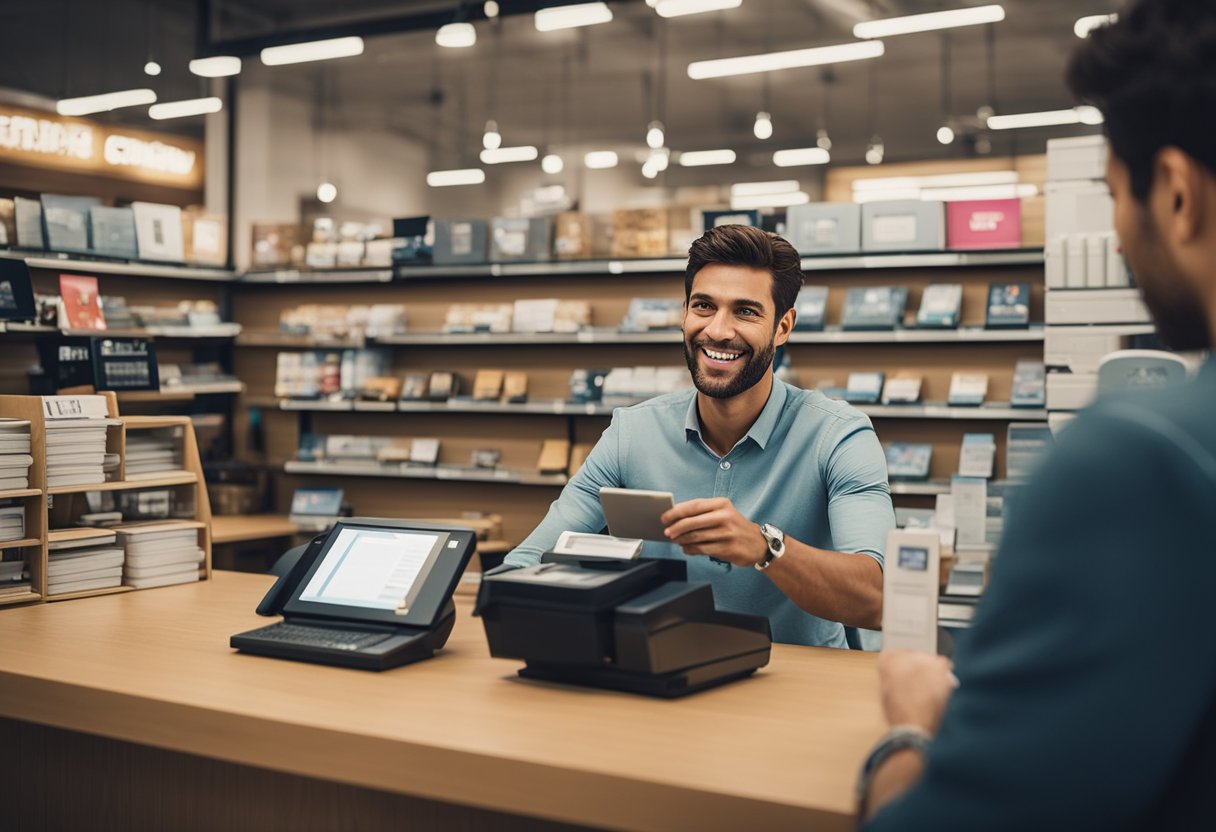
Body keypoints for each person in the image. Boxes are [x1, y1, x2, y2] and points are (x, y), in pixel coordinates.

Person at [859, 1, 1216, 826]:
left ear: (1175, 192)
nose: (1120, 237)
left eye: (1115, 196)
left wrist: (909, 734)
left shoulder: (1140, 459)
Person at [503, 224, 895, 647]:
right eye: (704, 306)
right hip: (662, 680)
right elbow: (524, 563)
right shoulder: (632, 433)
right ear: (684, 312)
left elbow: (878, 599)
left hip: (795, 692)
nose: (718, 331)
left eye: (745, 311)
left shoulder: (838, 436)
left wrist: (766, 548)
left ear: (783, 327)